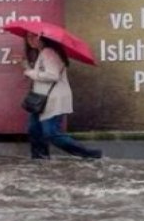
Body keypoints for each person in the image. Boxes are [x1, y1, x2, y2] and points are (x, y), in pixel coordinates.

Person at [22, 32, 102, 160]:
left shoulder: (48, 52)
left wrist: (30, 73)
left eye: (34, 36)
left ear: (43, 37)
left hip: (52, 99)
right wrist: (29, 69)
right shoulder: (43, 52)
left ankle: (89, 154)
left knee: (51, 133)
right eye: (28, 37)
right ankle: (39, 159)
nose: (30, 40)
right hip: (40, 99)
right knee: (35, 131)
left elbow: (53, 75)